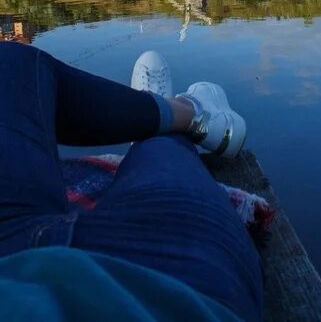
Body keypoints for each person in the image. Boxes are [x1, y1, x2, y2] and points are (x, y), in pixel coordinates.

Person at [0, 42, 263, 321]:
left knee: (10, 64)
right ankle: (184, 116)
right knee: (161, 147)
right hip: (143, 289)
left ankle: (154, 114)